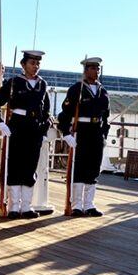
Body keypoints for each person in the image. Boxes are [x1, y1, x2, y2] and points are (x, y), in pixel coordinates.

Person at [0, 50, 51, 219]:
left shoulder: (42, 85)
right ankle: (13, 206)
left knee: (30, 166)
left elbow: (46, 111)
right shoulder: (14, 83)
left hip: (34, 128)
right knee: (15, 165)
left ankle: (26, 206)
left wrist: (43, 130)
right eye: (32, 63)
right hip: (17, 126)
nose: (35, 67)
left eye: (38, 64)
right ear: (23, 64)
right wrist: (0, 122)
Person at [58, 57, 110, 217]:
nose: (97, 71)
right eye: (93, 68)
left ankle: (89, 204)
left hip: (96, 132)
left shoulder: (103, 91)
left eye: (98, 68)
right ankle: (77, 205)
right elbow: (64, 114)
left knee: (93, 169)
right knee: (79, 168)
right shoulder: (76, 89)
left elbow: (106, 116)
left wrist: (104, 135)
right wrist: (66, 134)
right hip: (82, 130)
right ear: (85, 70)